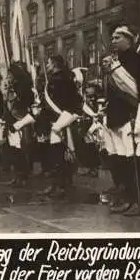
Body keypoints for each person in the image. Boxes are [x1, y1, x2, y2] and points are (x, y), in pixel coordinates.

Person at [105, 25, 140, 217]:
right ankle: (127, 198)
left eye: (118, 37)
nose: (113, 40)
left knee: (136, 161)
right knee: (123, 162)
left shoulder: (139, 61)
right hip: (116, 116)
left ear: (129, 39)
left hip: (132, 116)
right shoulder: (113, 63)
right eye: (113, 37)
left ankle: (139, 203)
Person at [41, 55, 82, 196]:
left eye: (48, 63)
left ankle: (60, 185)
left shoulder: (61, 80)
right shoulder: (61, 79)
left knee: (59, 152)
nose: (46, 66)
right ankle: (59, 183)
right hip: (60, 116)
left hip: (64, 116)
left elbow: (67, 101)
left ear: (54, 64)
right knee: (58, 152)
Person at [5, 62, 35, 187]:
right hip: (12, 121)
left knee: (21, 150)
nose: (8, 77)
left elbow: (26, 105)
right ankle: (18, 175)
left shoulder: (23, 89)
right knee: (14, 150)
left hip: (20, 121)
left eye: (9, 75)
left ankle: (22, 177)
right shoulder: (12, 88)